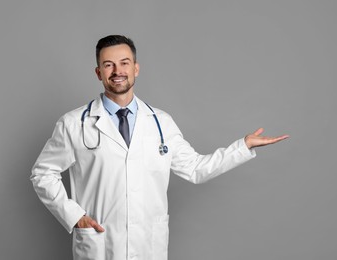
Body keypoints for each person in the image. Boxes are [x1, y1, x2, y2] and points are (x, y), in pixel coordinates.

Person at [30, 35, 288, 260]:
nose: (117, 70)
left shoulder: (161, 122)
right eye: (108, 65)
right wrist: (75, 216)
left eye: (124, 63)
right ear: (98, 72)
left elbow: (196, 169)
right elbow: (42, 173)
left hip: (148, 247)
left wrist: (242, 147)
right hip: (100, 246)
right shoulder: (74, 123)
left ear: (136, 69)